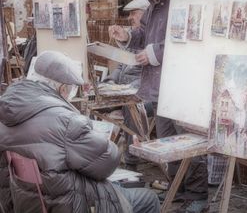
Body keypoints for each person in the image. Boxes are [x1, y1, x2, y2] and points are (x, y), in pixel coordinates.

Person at [109, 0, 208, 213]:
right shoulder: (155, 1)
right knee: (168, 144)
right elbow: (145, 33)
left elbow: (194, 40)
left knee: (188, 143)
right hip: (160, 87)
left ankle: (197, 196)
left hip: (185, 85)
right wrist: (127, 35)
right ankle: (179, 190)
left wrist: (154, 54)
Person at [0, 50, 160, 213]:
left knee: (116, 185)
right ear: (62, 89)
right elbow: (107, 163)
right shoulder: (65, 121)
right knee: (148, 198)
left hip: (29, 202)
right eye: (70, 90)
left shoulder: (6, 109)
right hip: (70, 202)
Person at [104, 0, 153, 167]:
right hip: (124, 91)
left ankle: (132, 161)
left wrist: (126, 90)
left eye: (134, 14)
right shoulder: (132, 36)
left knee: (131, 106)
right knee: (93, 101)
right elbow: (120, 67)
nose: (130, 18)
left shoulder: (150, 38)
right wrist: (109, 82)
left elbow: (148, 75)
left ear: (146, 15)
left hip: (144, 95)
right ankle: (101, 155)